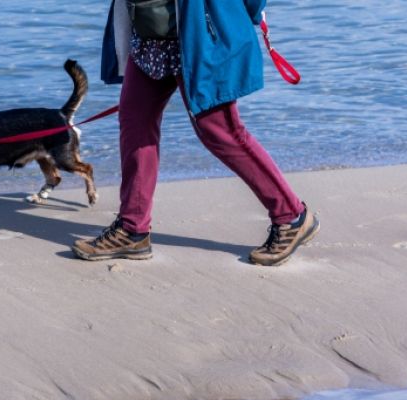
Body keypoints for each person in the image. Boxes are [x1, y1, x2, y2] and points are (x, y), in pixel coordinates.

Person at [72, 0, 318, 266]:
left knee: (220, 132)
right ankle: (133, 229)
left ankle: (291, 215)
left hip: (200, 32)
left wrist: (240, 16)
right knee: (135, 123)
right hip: (148, 34)